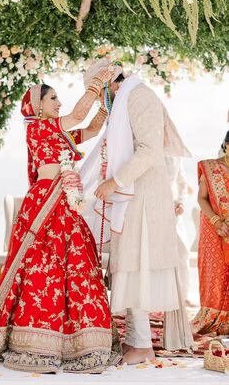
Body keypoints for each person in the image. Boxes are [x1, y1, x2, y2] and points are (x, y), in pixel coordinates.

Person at [0, 67, 123, 373]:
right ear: (37, 105)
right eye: (52, 98)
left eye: (58, 98)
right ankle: (36, 341)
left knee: (77, 263)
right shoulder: (38, 128)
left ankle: (82, 341)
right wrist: (99, 78)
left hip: (66, 201)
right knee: (44, 266)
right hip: (45, 201)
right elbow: (79, 114)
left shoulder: (59, 131)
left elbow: (93, 127)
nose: (58, 102)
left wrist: (109, 98)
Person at [81, 58, 194, 365]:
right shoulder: (127, 99)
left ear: (108, 84)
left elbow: (150, 150)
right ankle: (135, 341)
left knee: (135, 265)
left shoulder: (139, 96)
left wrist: (114, 181)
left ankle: (143, 345)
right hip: (132, 196)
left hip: (142, 195)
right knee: (127, 264)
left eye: (98, 91)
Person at [192, 131, 229, 335]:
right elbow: (201, 198)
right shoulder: (211, 167)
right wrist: (216, 221)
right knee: (216, 273)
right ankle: (215, 316)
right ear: (226, 146)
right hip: (214, 227)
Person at [165, 156, 190, 303]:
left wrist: (181, 202)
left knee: (182, 251)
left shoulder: (175, 152)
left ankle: (183, 296)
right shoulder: (146, 144)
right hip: (152, 208)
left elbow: (182, 182)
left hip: (174, 210)